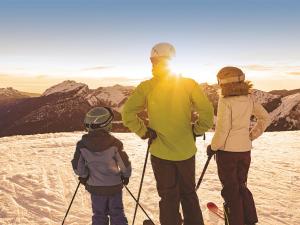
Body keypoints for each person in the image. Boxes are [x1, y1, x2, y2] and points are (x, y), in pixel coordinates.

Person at [122, 42, 214, 225]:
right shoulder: (188, 84)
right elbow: (207, 112)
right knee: (188, 193)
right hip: (186, 151)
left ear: (153, 61)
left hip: (160, 152)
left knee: (168, 196)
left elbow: (127, 114)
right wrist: (196, 130)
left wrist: (144, 132)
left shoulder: (146, 87)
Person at [207, 67, 271, 225]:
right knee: (241, 185)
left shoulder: (225, 101)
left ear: (223, 82)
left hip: (227, 153)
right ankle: (249, 220)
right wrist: (251, 135)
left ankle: (236, 221)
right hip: (244, 150)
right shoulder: (248, 99)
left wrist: (213, 147)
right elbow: (265, 118)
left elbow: (223, 130)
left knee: (230, 189)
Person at [71, 107, 131, 225]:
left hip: (95, 187)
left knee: (99, 214)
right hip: (114, 186)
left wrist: (85, 176)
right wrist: (125, 176)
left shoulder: (82, 145)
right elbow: (124, 164)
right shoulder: (115, 144)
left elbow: (78, 168)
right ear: (106, 125)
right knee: (117, 213)